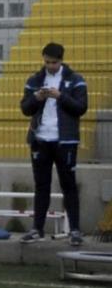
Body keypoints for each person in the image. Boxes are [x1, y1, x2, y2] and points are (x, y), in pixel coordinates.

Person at [18, 42, 87, 246]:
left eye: (54, 63)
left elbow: (81, 108)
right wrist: (37, 98)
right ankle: (37, 229)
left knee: (69, 185)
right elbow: (25, 108)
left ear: (61, 60)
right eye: (47, 62)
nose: (50, 66)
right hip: (40, 140)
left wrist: (60, 96)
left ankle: (74, 230)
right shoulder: (35, 80)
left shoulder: (75, 80)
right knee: (41, 186)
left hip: (65, 141)